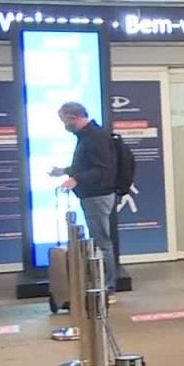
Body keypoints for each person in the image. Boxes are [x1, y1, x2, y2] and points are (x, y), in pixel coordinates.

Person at [50, 102, 118, 295]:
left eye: (63, 120)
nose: (63, 124)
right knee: (99, 240)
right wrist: (65, 171)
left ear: (73, 117)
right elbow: (87, 164)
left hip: (98, 195)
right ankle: (103, 284)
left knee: (102, 242)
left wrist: (76, 179)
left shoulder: (95, 137)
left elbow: (102, 168)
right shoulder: (87, 136)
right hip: (92, 195)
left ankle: (108, 287)